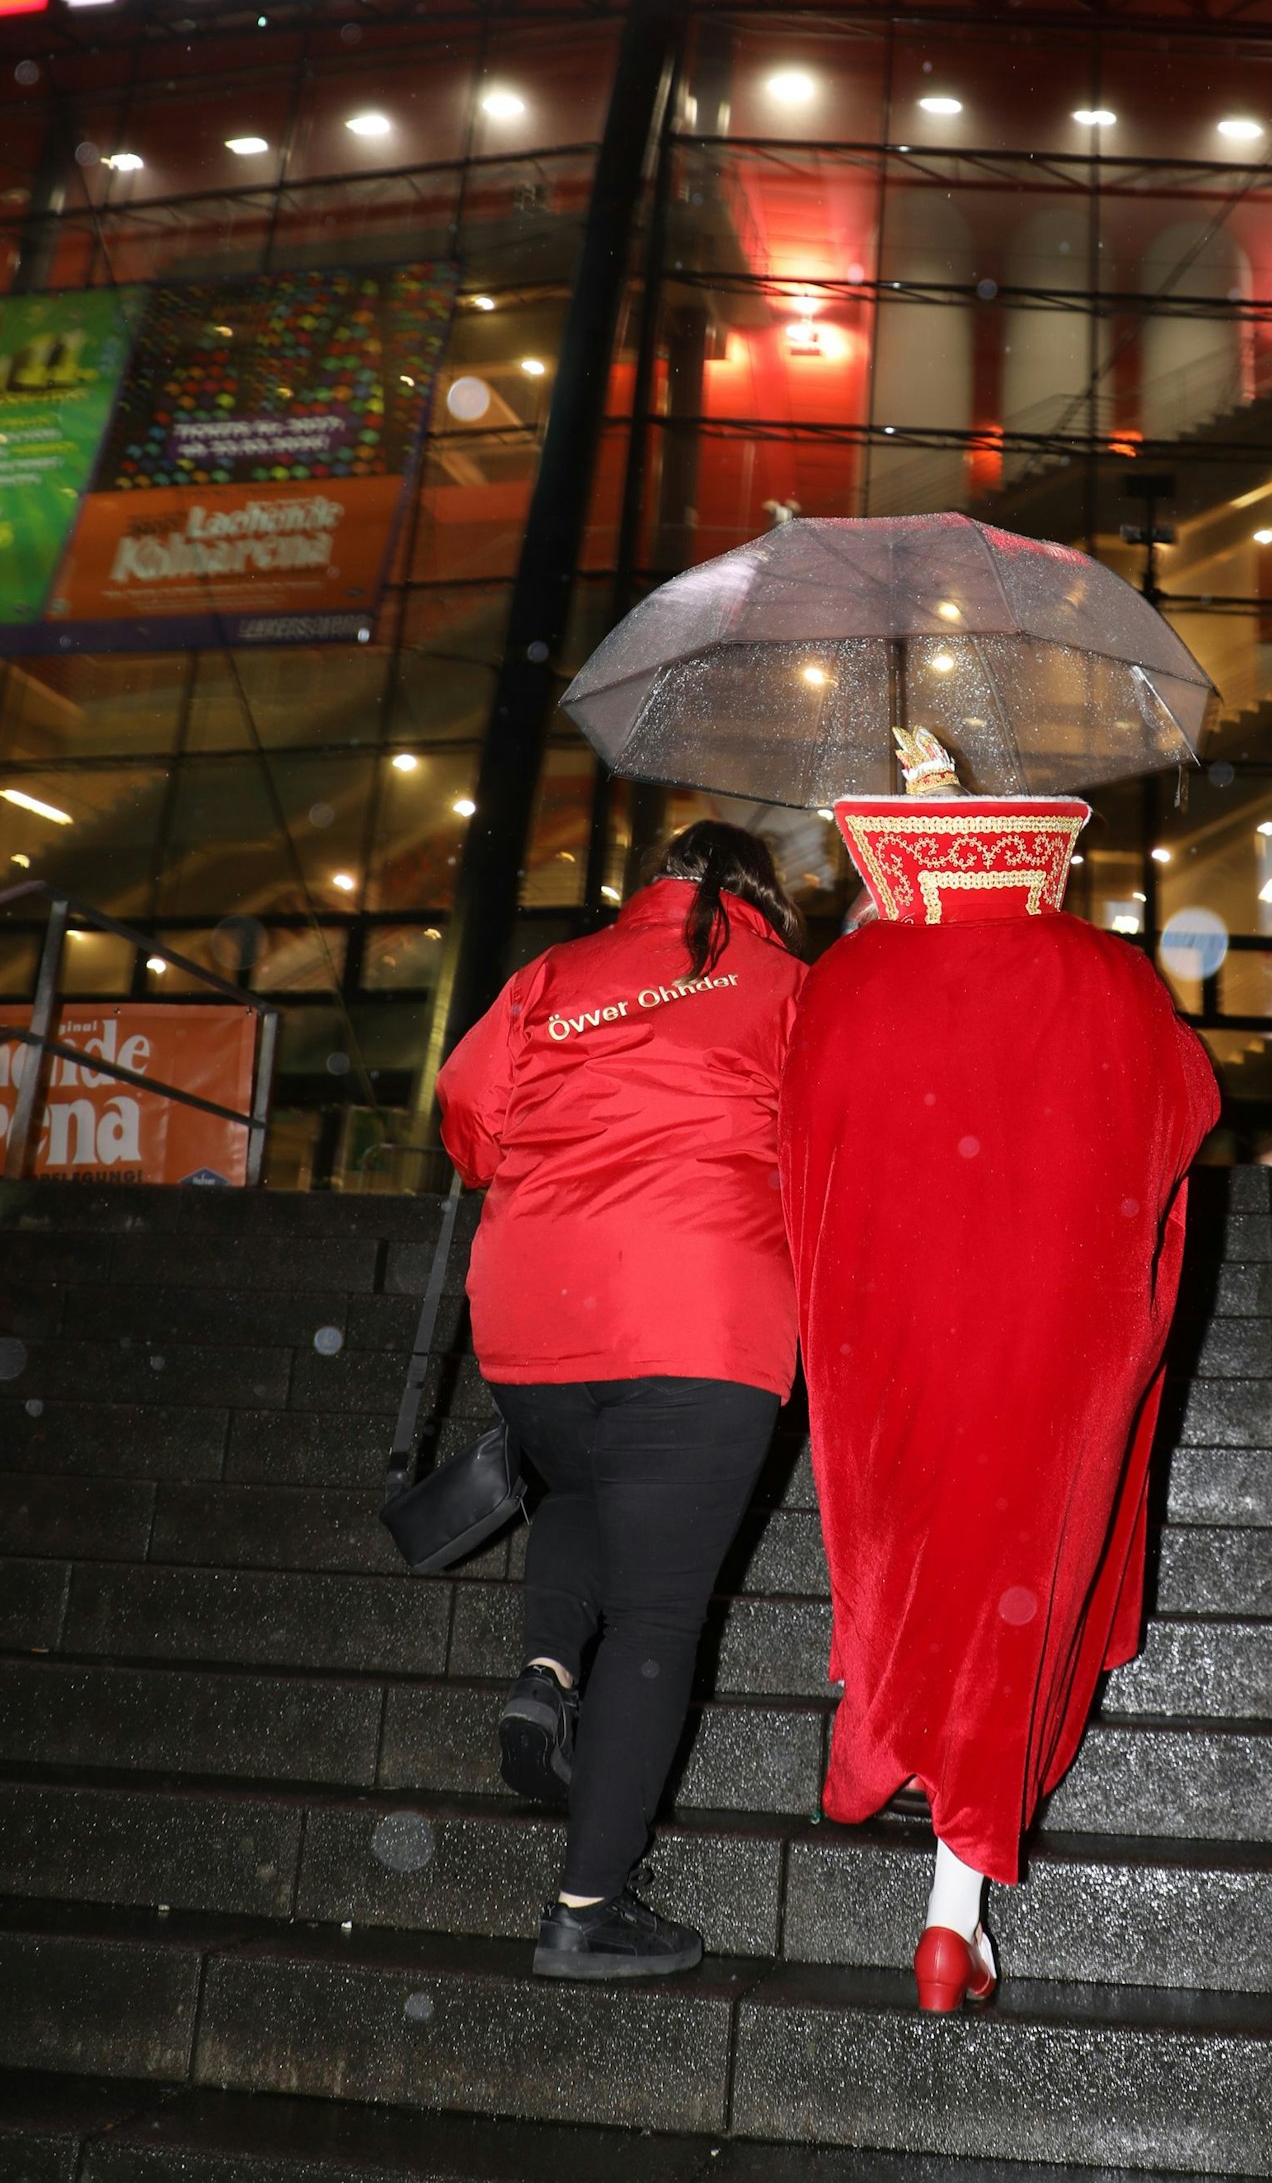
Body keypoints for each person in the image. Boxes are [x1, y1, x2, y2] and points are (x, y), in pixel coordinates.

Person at [779, 740, 1220, 2011]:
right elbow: (1185, 1107)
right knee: (1024, 1561)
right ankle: (950, 1898)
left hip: (892, 1329)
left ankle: (947, 1885)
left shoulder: (849, 976)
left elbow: (793, 1137)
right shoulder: (1106, 973)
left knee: (921, 1559)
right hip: (1054, 1323)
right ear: (1043, 853)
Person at [437, 820, 807, 1982]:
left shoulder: (553, 972)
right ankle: (587, 1907)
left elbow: (467, 1117)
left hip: (531, 1310)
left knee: (588, 1474)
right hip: (699, 1319)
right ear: (759, 893)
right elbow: (832, 1142)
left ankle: (545, 1671)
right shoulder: (790, 986)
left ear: (648, 879)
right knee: (654, 1620)